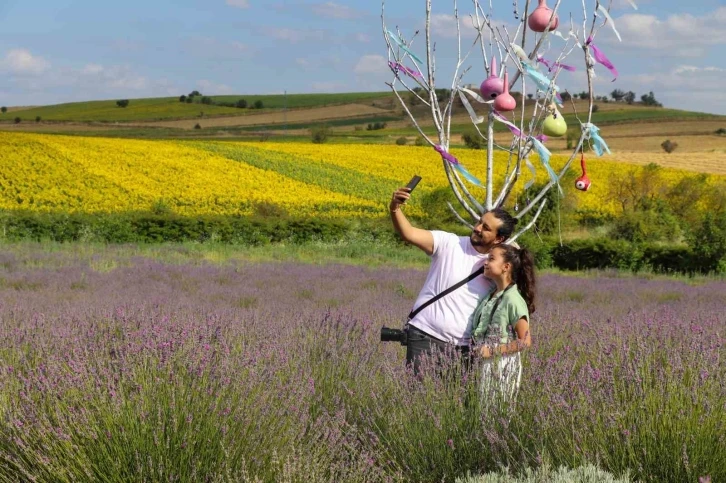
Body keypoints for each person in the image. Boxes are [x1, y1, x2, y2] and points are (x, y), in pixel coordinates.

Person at [389, 185, 518, 375]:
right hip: (424, 336)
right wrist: (394, 208)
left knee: (454, 402)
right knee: (418, 399)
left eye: (486, 228)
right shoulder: (448, 242)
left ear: (499, 239)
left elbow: (516, 293)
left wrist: (511, 252)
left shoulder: (497, 266)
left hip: (465, 348)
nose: (477, 228)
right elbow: (408, 233)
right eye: (480, 222)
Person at [471, 243, 535, 406]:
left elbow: (525, 341)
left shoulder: (512, 299)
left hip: (503, 365)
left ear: (506, 267)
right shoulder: (492, 294)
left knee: (494, 417)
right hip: (485, 362)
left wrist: (491, 351)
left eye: (491, 259)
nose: (485, 262)